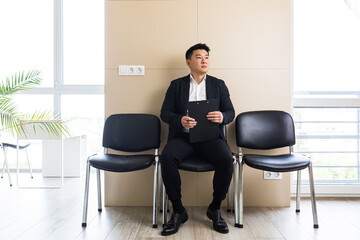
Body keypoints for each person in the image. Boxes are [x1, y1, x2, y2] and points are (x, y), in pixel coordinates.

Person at [160, 43, 235, 236]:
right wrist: (180, 120)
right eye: (199, 57)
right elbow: (165, 113)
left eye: (206, 57)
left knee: (227, 159)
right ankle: (178, 210)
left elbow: (230, 112)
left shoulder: (219, 84)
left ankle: (215, 208)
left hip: (210, 138)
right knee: (166, 157)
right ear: (188, 62)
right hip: (183, 138)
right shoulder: (176, 85)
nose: (204, 61)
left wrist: (222, 117)